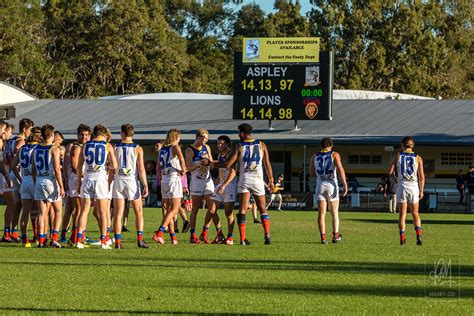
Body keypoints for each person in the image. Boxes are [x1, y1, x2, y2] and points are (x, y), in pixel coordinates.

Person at [209, 123, 274, 245]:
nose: (239, 135)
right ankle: (267, 235)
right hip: (258, 180)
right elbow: (267, 164)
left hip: (245, 180)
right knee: (262, 208)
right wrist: (271, 180)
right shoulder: (261, 144)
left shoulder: (239, 146)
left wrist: (211, 163)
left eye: (239, 132)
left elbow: (228, 164)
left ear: (242, 133)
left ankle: (243, 239)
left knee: (242, 210)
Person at [76, 125, 117, 249]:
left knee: (83, 211)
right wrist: (106, 164)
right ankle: (104, 240)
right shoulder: (107, 145)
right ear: (104, 134)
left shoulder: (85, 145)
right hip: (100, 178)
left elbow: (79, 166)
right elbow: (115, 166)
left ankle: (79, 241)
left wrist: (79, 181)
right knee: (103, 212)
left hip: (87, 177)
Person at [112, 124, 149, 249]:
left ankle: (117, 242)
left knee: (118, 213)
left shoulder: (115, 146)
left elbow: (111, 166)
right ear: (132, 134)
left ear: (122, 133)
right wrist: (145, 185)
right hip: (131, 180)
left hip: (118, 180)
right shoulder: (138, 148)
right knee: (138, 211)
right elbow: (141, 168)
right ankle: (140, 240)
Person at [309, 137, 348, 244]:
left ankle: (323, 237)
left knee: (321, 213)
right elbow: (340, 170)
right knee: (334, 212)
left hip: (320, 184)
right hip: (331, 184)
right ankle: (335, 235)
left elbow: (311, 173)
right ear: (331, 145)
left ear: (321, 145)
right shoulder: (334, 154)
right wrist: (344, 184)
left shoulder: (314, 156)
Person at [387, 136, 425, 246]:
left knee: (402, 215)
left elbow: (389, 172)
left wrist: (396, 179)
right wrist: (421, 190)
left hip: (402, 185)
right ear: (413, 145)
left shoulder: (397, 156)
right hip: (414, 186)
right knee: (415, 213)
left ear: (402, 145)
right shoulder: (418, 158)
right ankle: (418, 235)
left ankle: (402, 238)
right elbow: (421, 176)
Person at [32, 125, 65, 248]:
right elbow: (57, 169)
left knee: (42, 213)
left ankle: (41, 240)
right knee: (58, 210)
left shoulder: (35, 149)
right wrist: (61, 186)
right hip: (50, 181)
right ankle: (54, 238)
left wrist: (36, 182)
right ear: (51, 135)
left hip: (39, 180)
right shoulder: (54, 149)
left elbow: (34, 169)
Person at [153, 129, 187, 244]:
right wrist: (183, 170)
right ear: (176, 137)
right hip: (173, 179)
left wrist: (161, 180)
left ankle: (173, 237)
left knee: (168, 210)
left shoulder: (162, 149)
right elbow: (182, 158)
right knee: (174, 209)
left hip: (164, 180)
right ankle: (159, 233)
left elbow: (158, 167)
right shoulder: (175, 147)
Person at [4, 118, 34, 243]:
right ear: (25, 129)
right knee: (27, 205)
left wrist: (9, 172)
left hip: (12, 173)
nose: (30, 133)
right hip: (19, 173)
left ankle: (13, 232)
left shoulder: (11, 139)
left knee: (17, 204)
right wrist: (16, 170)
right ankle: (24, 234)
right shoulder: (21, 141)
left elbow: (6, 156)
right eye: (30, 130)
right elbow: (16, 153)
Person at [185, 129, 218, 244]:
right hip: (196, 181)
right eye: (204, 138)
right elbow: (189, 167)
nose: (206, 140)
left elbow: (212, 164)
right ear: (198, 137)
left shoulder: (207, 147)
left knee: (212, 208)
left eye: (207, 138)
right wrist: (199, 163)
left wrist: (209, 162)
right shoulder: (190, 150)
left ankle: (204, 233)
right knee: (195, 209)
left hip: (208, 181)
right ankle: (192, 235)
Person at [11, 126, 42, 247]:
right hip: (35, 179)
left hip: (25, 180)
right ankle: (39, 237)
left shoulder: (22, 148)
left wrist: (20, 179)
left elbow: (13, 166)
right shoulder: (38, 148)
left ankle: (25, 240)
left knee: (25, 211)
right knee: (39, 211)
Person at [203, 135, 236, 245]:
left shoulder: (231, 154)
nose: (219, 145)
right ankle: (220, 235)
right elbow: (222, 168)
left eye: (221, 143)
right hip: (221, 184)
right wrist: (218, 179)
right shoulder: (220, 155)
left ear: (227, 144)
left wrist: (224, 185)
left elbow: (233, 172)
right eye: (218, 143)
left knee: (228, 213)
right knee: (211, 210)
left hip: (229, 185)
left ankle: (230, 238)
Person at [63, 124, 91, 245]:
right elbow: (75, 167)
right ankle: (76, 237)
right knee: (80, 209)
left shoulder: (86, 146)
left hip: (78, 178)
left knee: (71, 208)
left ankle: (69, 235)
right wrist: (86, 176)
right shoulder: (77, 147)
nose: (84, 137)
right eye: (82, 134)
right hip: (76, 179)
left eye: (86, 135)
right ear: (78, 135)